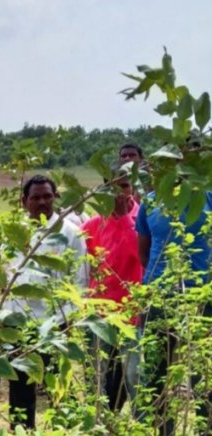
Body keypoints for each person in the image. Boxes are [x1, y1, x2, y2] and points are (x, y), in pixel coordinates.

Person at [2, 175, 89, 429]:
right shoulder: (15, 233)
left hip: (54, 324)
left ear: (55, 197)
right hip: (18, 323)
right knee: (19, 385)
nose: (42, 202)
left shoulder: (70, 234)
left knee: (56, 386)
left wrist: (68, 321)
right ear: (24, 201)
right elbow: (8, 277)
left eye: (47, 196)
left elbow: (79, 280)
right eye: (35, 197)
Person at [135, 184, 212, 436]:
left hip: (204, 301)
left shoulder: (209, 198)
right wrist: (160, 287)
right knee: (155, 379)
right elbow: (144, 255)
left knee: (205, 381)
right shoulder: (151, 203)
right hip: (160, 300)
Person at [82, 172, 142, 411]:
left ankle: (142, 431)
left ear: (132, 188)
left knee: (134, 376)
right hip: (99, 313)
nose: (119, 193)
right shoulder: (94, 224)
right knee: (96, 377)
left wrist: (124, 218)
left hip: (133, 313)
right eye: (112, 187)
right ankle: (98, 430)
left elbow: (138, 254)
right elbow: (80, 266)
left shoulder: (142, 217)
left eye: (125, 186)